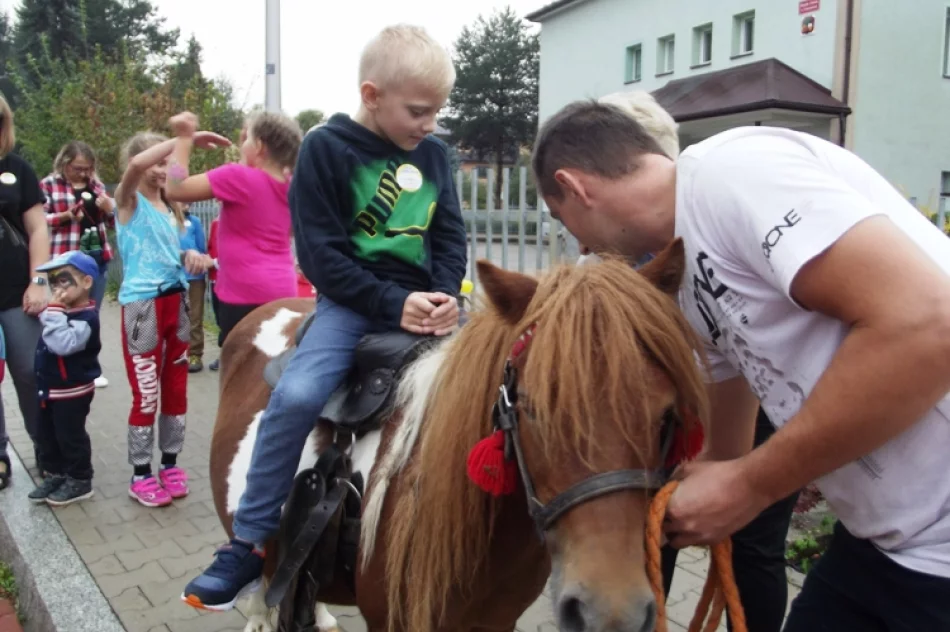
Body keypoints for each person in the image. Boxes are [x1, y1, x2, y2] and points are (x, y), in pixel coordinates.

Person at [532, 100, 950, 630]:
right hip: (882, 546)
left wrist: (750, 486)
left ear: (573, 187)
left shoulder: (734, 172)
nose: (579, 243)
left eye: (561, 218)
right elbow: (728, 427)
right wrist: (691, 486)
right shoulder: (685, 274)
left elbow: (928, 324)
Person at [181, 23, 468, 611]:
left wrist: (444, 294)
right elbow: (320, 256)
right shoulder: (326, 149)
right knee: (296, 395)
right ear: (371, 96)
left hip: (428, 305)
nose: (430, 124)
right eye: (418, 111)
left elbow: (448, 235)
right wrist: (392, 303)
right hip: (352, 304)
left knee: (500, 388)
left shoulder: (434, 154)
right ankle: (248, 541)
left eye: (437, 111)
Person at [578, 90, 800, 632]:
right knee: (658, 533)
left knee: (751, 546)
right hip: (660, 412)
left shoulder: (707, 229)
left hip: (743, 403)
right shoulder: (608, 254)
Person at [114, 130, 225, 508]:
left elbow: (162, 253)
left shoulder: (171, 206)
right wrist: (184, 138)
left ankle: (170, 464)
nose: (164, 170)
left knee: (176, 390)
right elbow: (137, 164)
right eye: (159, 163)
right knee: (146, 394)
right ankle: (140, 473)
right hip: (142, 307)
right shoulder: (128, 200)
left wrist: (190, 257)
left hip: (176, 302)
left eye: (167, 163)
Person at [163, 110, 303, 350]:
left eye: (246, 139)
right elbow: (289, 231)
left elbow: (176, 188)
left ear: (259, 146)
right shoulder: (292, 188)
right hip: (284, 291)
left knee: (239, 369)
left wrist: (184, 139)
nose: (242, 145)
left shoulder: (238, 177)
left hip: (243, 294)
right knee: (274, 368)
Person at [0, 95, 51, 478]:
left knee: (30, 372)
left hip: (18, 292)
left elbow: (38, 231)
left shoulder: (18, 169)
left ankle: (46, 447)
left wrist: (39, 281)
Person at [27, 251, 101, 506]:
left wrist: (54, 313)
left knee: (70, 436)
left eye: (63, 281)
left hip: (72, 391)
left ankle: (80, 478)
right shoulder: (62, 312)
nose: (56, 289)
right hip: (50, 388)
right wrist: (51, 308)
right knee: (47, 434)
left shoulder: (87, 318)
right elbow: (48, 326)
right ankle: (56, 473)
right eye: (53, 282)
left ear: (87, 282)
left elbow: (62, 344)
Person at [40, 141, 116, 389]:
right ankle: (61, 365)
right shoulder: (49, 185)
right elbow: (39, 219)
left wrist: (110, 210)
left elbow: (114, 223)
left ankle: (89, 367)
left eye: (88, 168)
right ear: (64, 164)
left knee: (90, 314)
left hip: (96, 259)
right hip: (66, 263)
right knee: (64, 311)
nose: (83, 174)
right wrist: (65, 216)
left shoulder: (97, 187)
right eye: (78, 168)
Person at [177, 204, 209, 373]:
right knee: (177, 317)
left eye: (187, 201)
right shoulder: (165, 219)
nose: (185, 203)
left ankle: (195, 354)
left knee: (194, 316)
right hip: (174, 277)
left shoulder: (194, 221)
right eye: (181, 200)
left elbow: (201, 247)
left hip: (194, 276)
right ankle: (178, 353)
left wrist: (200, 264)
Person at [206, 216, 221, 372]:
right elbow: (211, 247)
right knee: (219, 319)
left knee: (229, 321)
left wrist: (215, 262)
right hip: (215, 278)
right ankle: (223, 353)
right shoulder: (216, 222)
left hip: (231, 281)